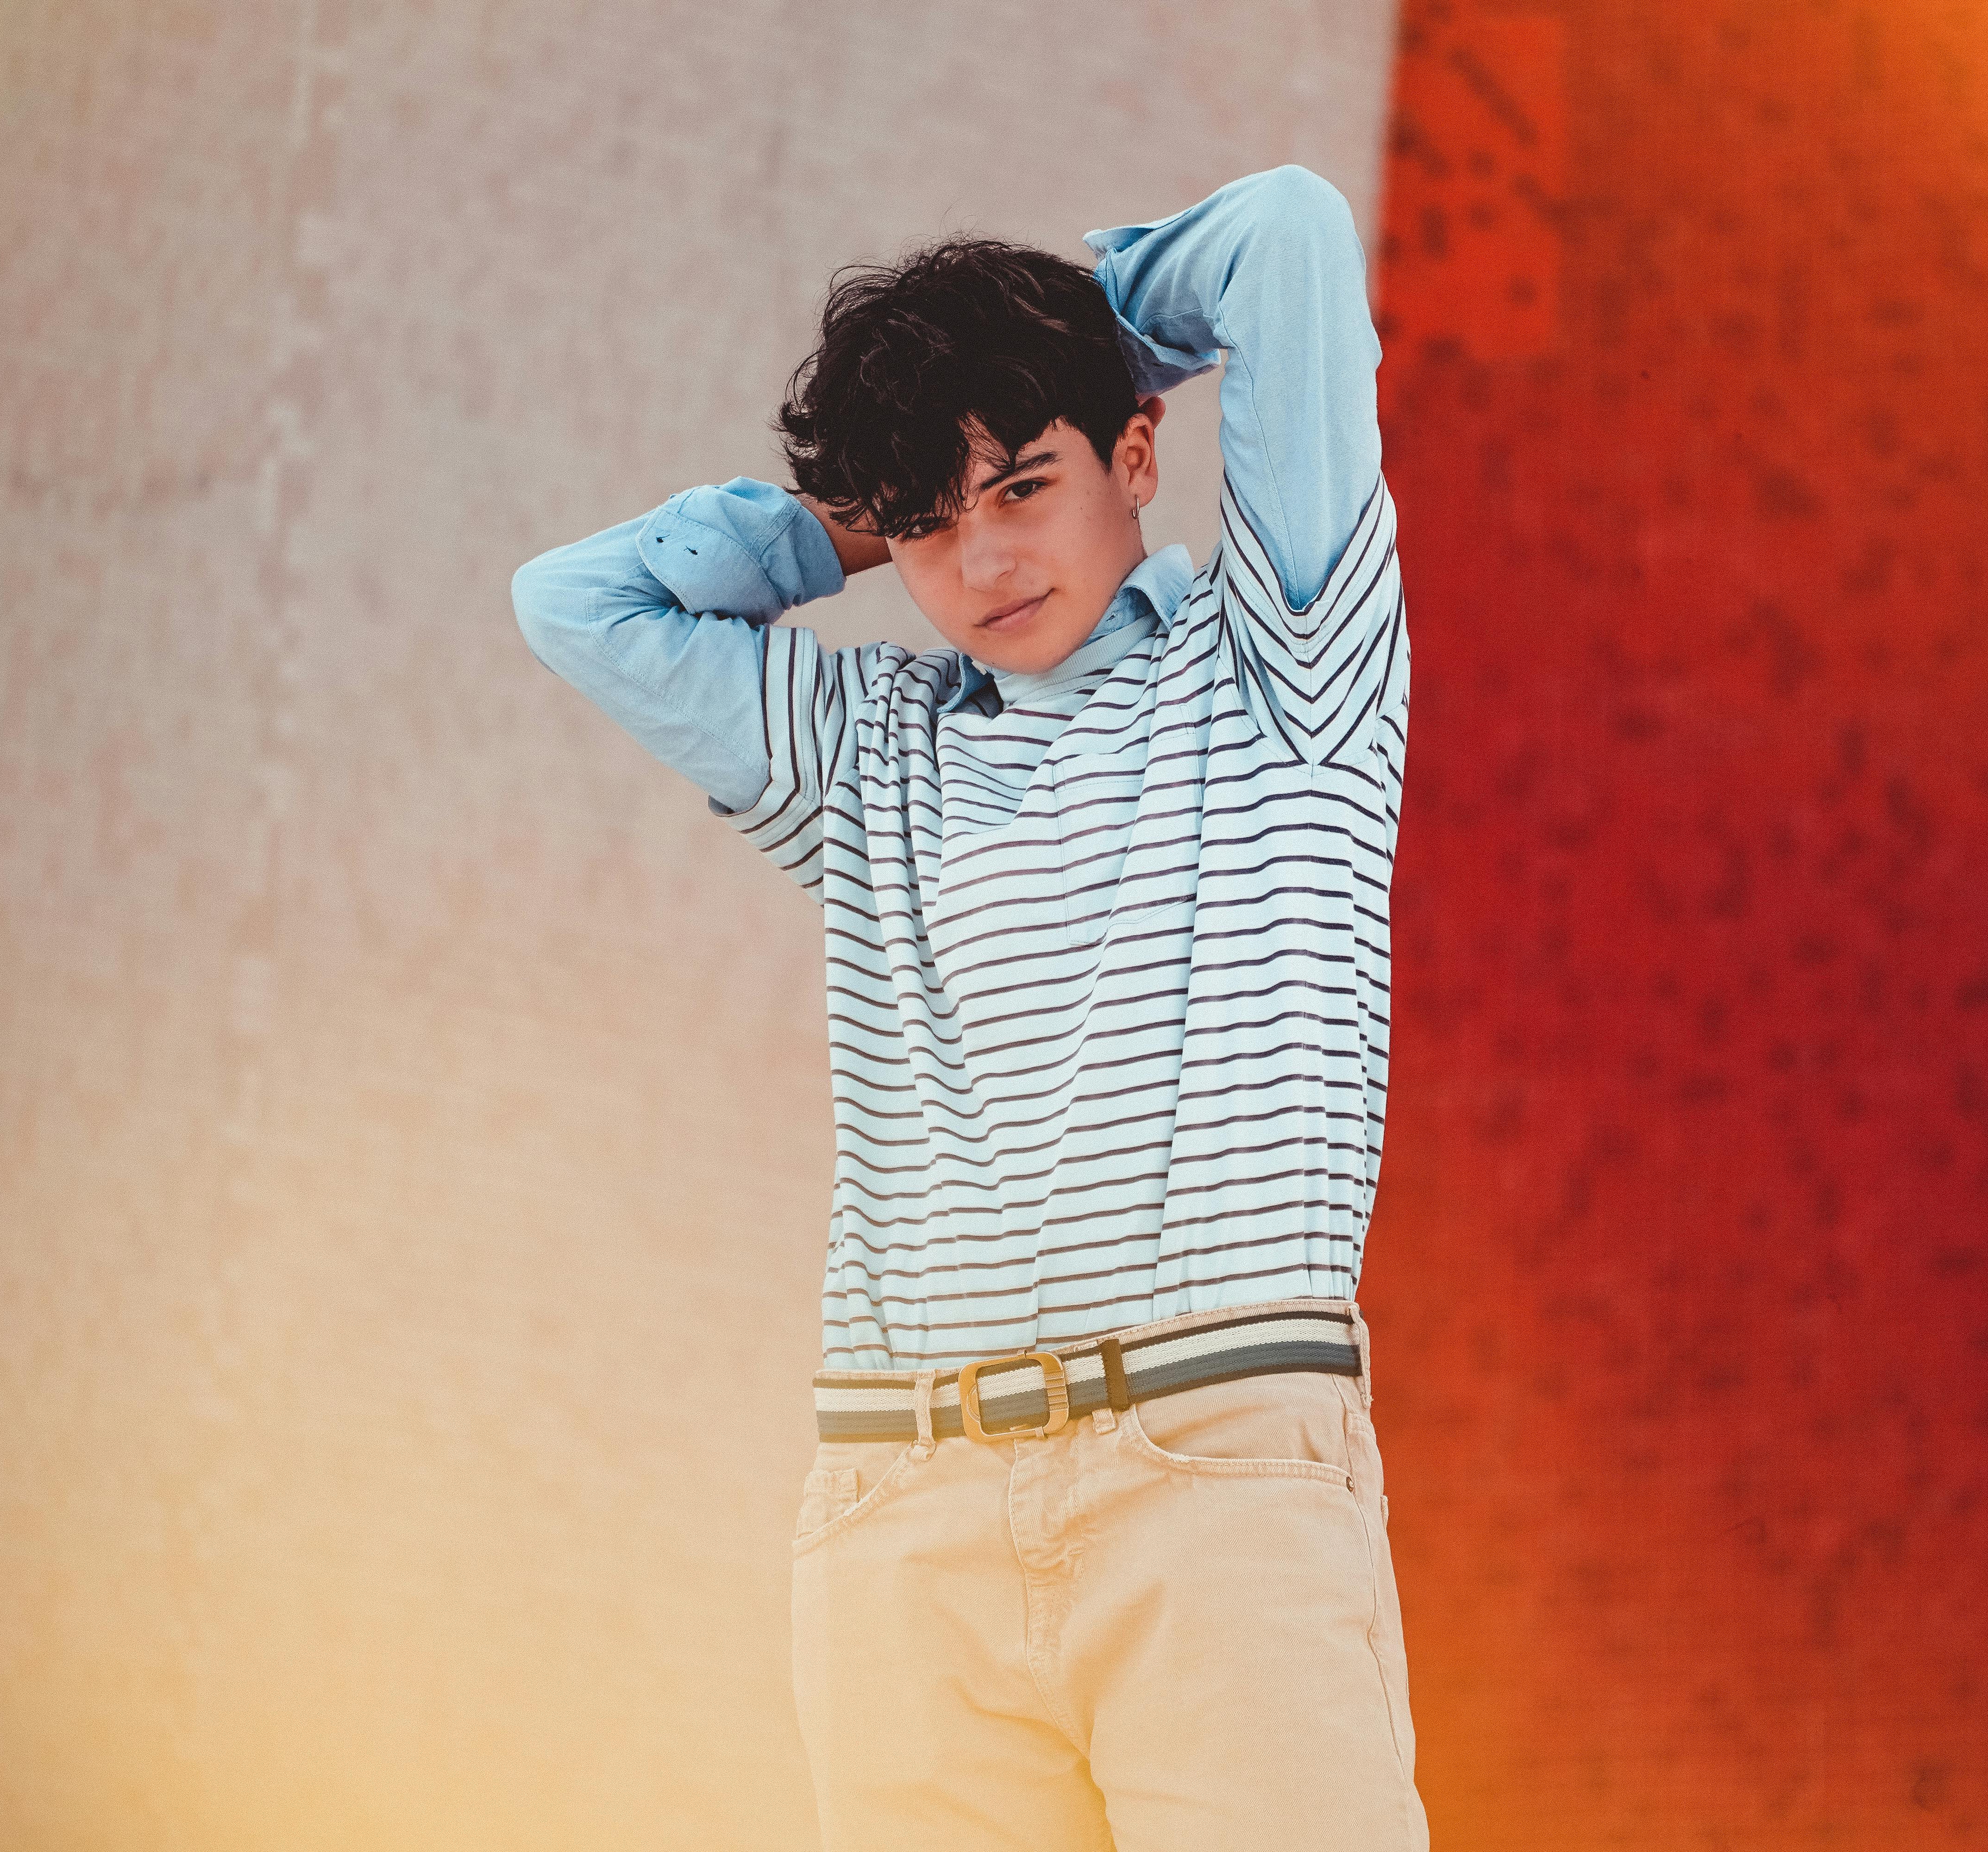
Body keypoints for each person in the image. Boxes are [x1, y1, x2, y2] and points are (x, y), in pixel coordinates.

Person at [510, 164, 1422, 1851]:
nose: (986, 558)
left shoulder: (1289, 666)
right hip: (902, 1512)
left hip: (1212, 1476)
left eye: (1023, 482)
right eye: (931, 527)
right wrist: (863, 503)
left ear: (1137, 453)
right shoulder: (873, 747)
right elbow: (576, 607)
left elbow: (1289, 231)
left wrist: (1069, 342)